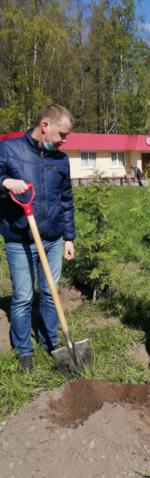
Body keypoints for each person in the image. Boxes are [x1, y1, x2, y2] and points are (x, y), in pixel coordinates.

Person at [0, 104, 76, 372]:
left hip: (53, 238)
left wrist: (69, 237)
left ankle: (51, 342)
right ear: (45, 126)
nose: (65, 141)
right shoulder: (9, 150)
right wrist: (5, 183)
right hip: (19, 238)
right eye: (62, 135)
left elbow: (66, 200)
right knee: (22, 297)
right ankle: (24, 351)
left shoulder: (61, 160)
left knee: (50, 292)